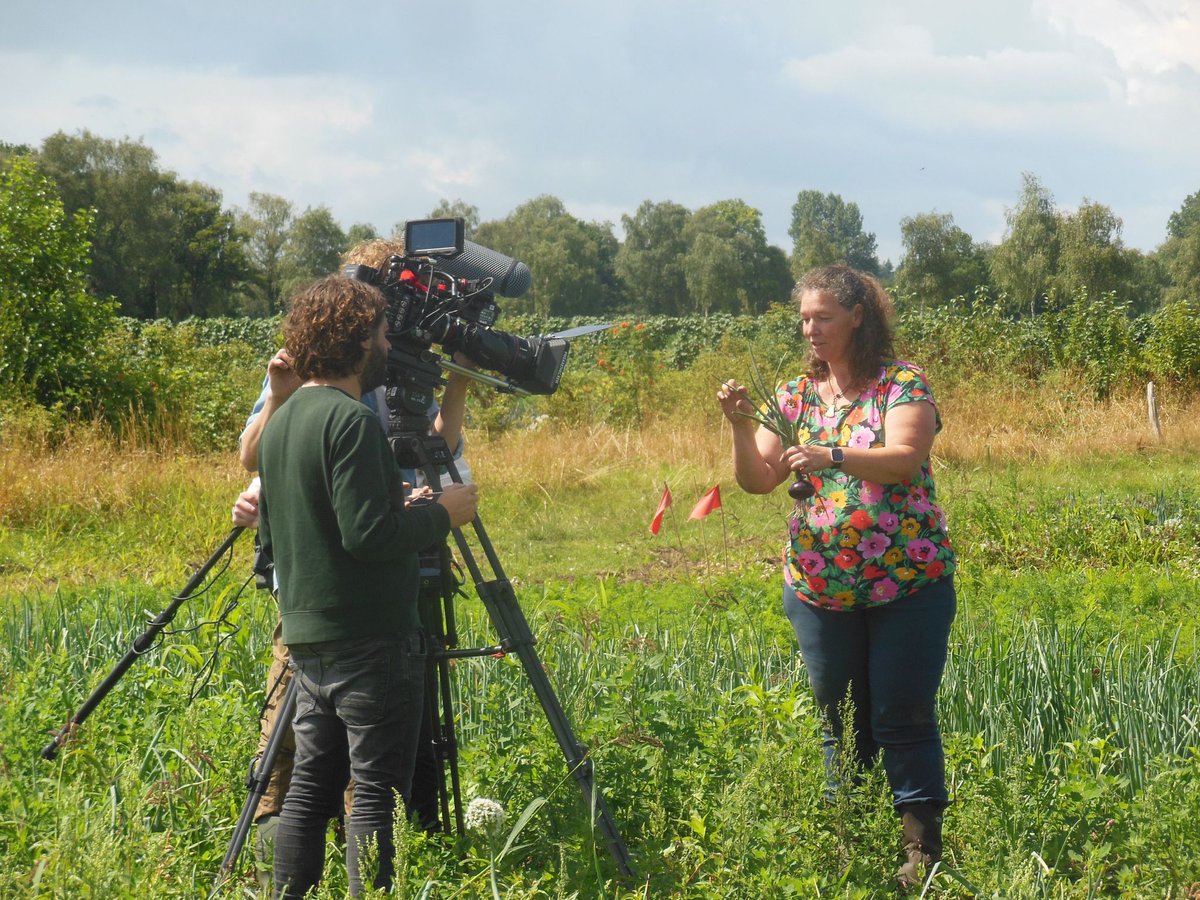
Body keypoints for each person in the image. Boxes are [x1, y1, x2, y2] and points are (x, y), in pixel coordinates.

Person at [236, 239, 473, 885]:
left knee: (309, 789)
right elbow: (367, 536)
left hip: (308, 639)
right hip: (369, 639)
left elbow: (288, 531)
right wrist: (440, 514)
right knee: (372, 795)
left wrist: (397, 505)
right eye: (383, 334)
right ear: (360, 341)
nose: (390, 346)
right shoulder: (353, 421)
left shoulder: (284, 420)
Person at [716, 264, 957, 888]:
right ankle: (845, 842)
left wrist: (833, 455)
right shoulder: (795, 396)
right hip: (819, 588)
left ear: (857, 316)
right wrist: (740, 426)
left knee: (902, 713)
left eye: (823, 316)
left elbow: (904, 460)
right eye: (804, 318)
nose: (811, 328)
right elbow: (758, 480)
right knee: (839, 721)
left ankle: (920, 854)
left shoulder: (900, 385)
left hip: (906, 583)